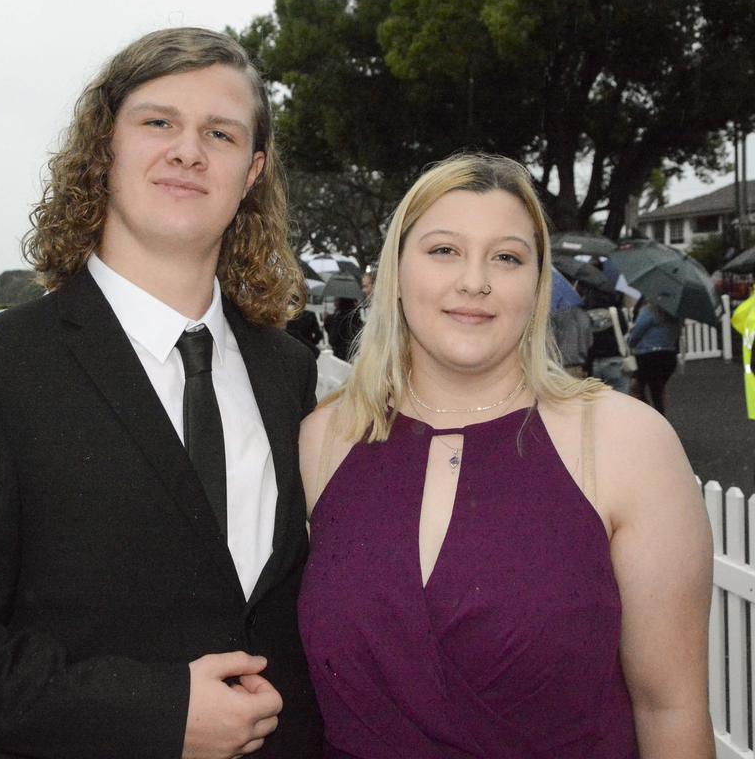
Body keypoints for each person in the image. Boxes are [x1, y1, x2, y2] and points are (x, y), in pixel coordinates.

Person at [0, 28, 322, 759]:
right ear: (104, 148)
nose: (187, 150)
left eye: (219, 132)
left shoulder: (287, 371)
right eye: (158, 122)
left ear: (251, 172)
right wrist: (159, 712)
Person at [298, 154, 713, 758]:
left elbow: (671, 710)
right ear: (395, 272)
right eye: (444, 250)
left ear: (538, 283)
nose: (474, 281)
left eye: (507, 257)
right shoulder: (323, 440)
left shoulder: (627, 445)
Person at [628, 299, 682, 415]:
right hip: (669, 355)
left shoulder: (649, 311)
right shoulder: (675, 314)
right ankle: (660, 415)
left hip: (649, 356)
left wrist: (630, 343)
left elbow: (637, 331)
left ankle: (650, 414)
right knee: (658, 389)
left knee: (637, 387)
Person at [324, 297, 363, 361]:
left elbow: (332, 340)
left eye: (336, 300)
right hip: (353, 355)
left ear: (340, 302)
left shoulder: (339, 318)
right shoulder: (357, 318)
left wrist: (327, 321)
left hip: (340, 357)